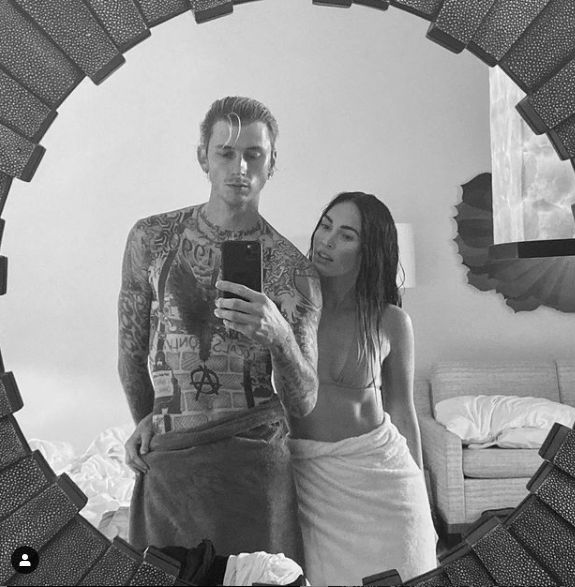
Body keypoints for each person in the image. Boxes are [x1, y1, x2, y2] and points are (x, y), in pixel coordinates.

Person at [118, 96, 321, 562]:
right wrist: (148, 421)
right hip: (171, 460)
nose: (240, 168)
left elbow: (305, 402)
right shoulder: (152, 240)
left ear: (272, 163)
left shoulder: (293, 271)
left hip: (256, 466)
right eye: (226, 153)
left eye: (254, 154)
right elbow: (130, 351)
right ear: (203, 157)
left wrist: (279, 337)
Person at [288, 192, 438, 585]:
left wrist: (423, 498)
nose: (327, 240)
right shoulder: (287, 309)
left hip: (383, 482)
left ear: (369, 250)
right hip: (312, 481)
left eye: (346, 235)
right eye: (325, 226)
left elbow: (402, 410)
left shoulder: (390, 321)